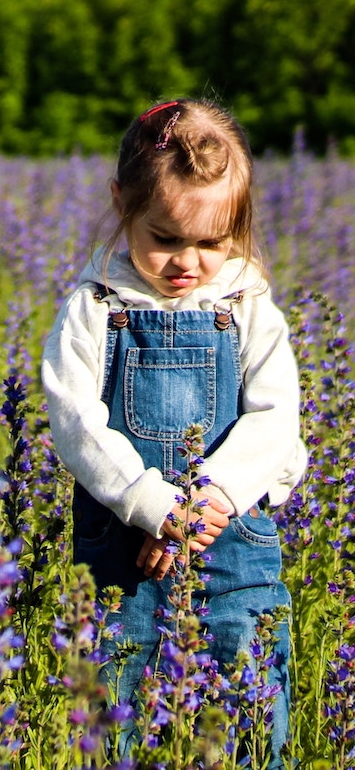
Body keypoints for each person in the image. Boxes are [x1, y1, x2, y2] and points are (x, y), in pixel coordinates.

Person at [41, 97, 307, 765]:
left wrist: (209, 503)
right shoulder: (95, 306)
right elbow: (74, 421)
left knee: (250, 711)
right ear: (122, 203)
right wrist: (157, 509)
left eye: (213, 243)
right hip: (126, 551)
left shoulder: (247, 304)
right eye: (164, 237)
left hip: (232, 544)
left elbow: (277, 421)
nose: (187, 262)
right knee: (114, 715)